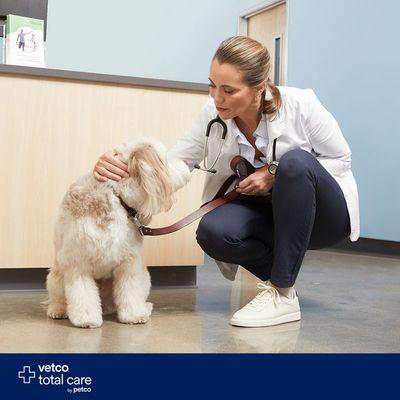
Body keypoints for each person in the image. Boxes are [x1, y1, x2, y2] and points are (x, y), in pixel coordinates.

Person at [93, 36, 360, 328]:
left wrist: (274, 172)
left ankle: (281, 294)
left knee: (295, 163)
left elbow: (341, 158)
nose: (217, 98)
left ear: (259, 87)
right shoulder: (212, 115)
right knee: (213, 232)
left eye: (229, 90)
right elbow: (178, 162)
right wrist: (125, 166)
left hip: (324, 218)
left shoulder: (301, 105)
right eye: (212, 86)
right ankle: (282, 281)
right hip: (272, 219)